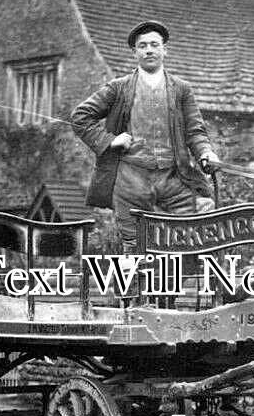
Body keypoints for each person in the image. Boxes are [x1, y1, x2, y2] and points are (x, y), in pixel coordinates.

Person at [71, 20, 219, 253]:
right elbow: (80, 117)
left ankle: (179, 286)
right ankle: (140, 286)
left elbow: (195, 130)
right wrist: (109, 141)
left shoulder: (181, 89)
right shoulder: (118, 88)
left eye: (154, 44)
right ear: (135, 53)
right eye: (142, 46)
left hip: (173, 178)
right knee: (135, 246)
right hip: (131, 180)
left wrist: (205, 152)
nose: (149, 50)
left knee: (192, 231)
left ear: (164, 50)